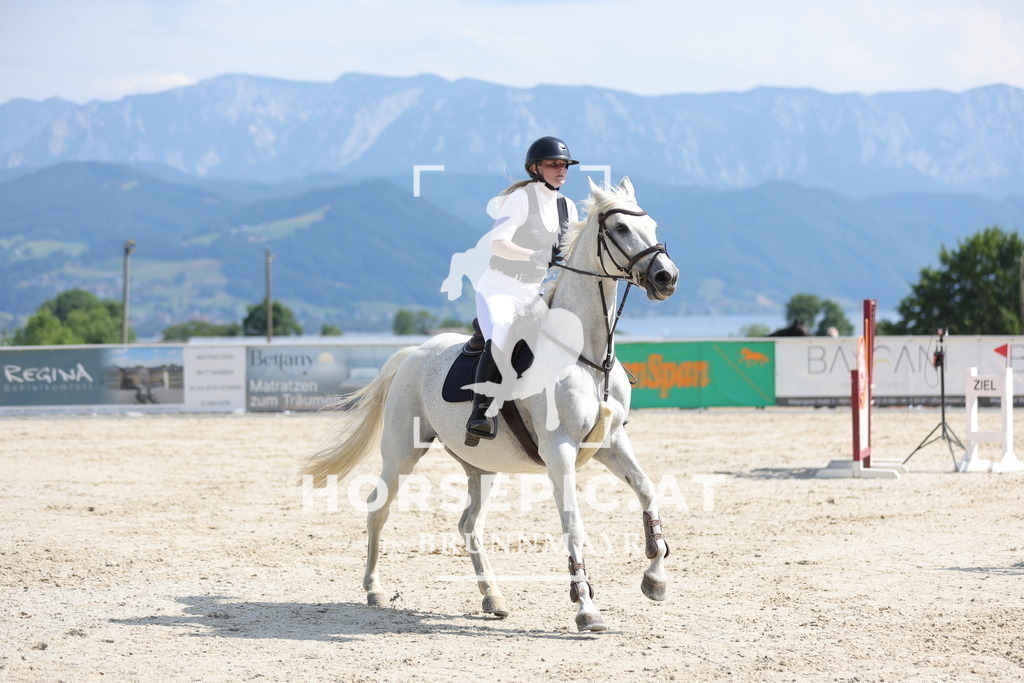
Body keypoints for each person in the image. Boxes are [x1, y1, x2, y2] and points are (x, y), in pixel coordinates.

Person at [465, 136, 580, 444]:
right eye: (553, 164)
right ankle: (479, 413)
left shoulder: (568, 207)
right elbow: (498, 243)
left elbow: (570, 255)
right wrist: (536, 256)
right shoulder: (520, 199)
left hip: (532, 292)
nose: (561, 170)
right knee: (503, 331)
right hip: (499, 287)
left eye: (565, 165)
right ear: (534, 168)